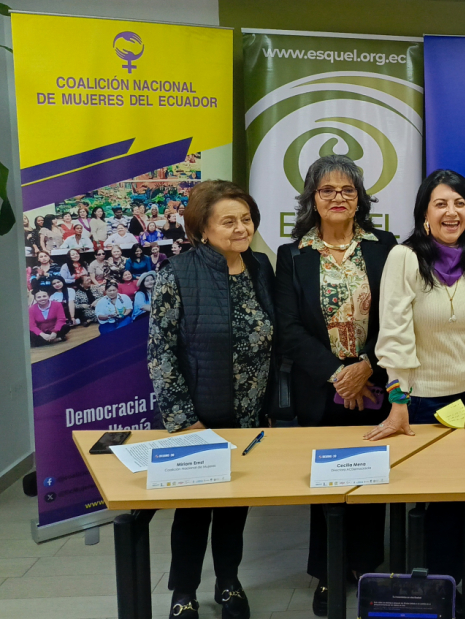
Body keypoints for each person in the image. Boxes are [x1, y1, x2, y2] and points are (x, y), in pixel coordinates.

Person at [371, 169, 465, 595]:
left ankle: (449, 589)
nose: (452, 212)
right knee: (420, 500)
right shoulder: (404, 258)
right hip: (415, 402)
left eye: (460, 203)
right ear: (425, 213)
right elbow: (393, 336)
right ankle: (422, 586)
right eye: (441, 204)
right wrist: (398, 401)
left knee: (457, 503)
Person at [273, 155, 399, 616]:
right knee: (327, 483)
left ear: (360, 198)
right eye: (327, 190)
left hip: (376, 379)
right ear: (312, 199)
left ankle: (365, 568)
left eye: (348, 190)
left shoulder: (386, 247)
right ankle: (327, 573)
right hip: (320, 384)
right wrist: (339, 376)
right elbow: (287, 328)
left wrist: (366, 367)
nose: (338, 198)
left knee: (370, 477)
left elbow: (397, 317)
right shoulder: (293, 256)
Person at [147, 180, 278, 619]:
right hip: (199, 417)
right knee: (193, 511)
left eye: (246, 218)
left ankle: (229, 583)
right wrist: (184, 420)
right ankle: (183, 592)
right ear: (202, 229)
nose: (242, 228)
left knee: (234, 508)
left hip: (250, 416)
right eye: (229, 221)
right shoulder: (177, 274)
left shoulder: (260, 266)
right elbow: (160, 352)